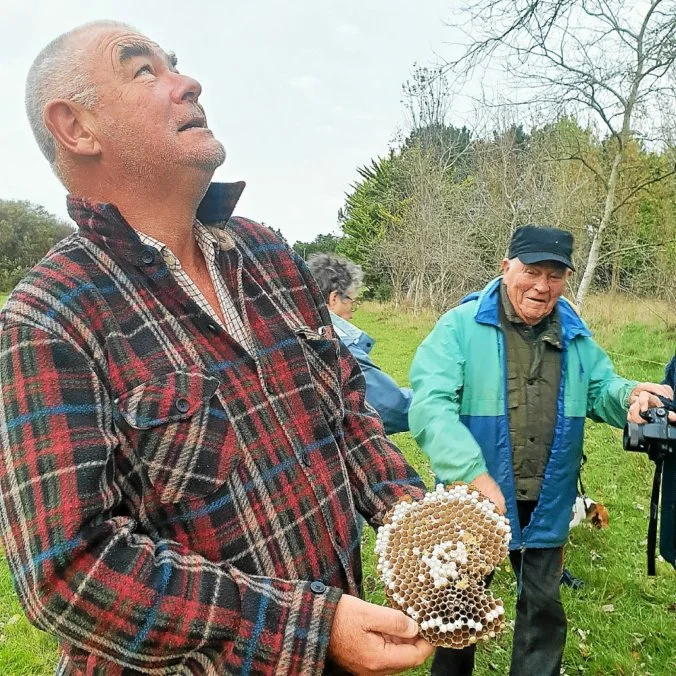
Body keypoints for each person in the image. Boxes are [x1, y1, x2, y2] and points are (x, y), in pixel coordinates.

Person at [0, 21, 434, 675]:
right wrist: (307, 629)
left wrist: (412, 519)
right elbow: (69, 573)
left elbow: (346, 408)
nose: (188, 81)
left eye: (174, 62)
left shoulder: (267, 253)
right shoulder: (49, 318)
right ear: (76, 128)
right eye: (143, 69)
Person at [408, 225, 671, 676]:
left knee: (544, 609)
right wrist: (472, 474)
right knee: (459, 610)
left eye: (555, 275)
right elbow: (430, 408)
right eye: (531, 271)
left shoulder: (574, 333)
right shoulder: (459, 327)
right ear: (505, 266)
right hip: (474, 502)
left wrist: (628, 396)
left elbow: (599, 387)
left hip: (547, 498)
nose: (542, 286)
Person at [307, 253, 412, 435]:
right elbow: (390, 408)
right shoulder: (339, 346)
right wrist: (439, 397)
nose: (352, 313)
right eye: (351, 302)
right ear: (334, 299)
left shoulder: (295, 331)